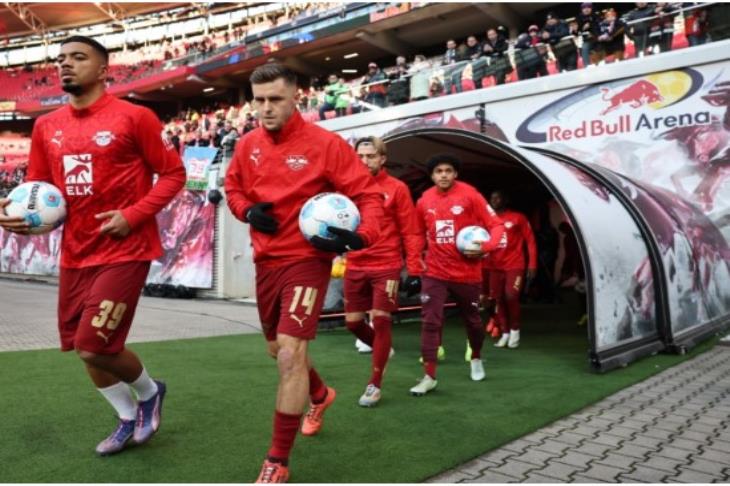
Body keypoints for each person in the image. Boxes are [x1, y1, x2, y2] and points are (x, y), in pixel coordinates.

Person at [0, 36, 186, 456]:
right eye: (61, 59)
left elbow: (172, 174)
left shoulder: (134, 117)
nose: (66, 65)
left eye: (78, 58)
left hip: (126, 249)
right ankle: (125, 417)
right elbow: (39, 193)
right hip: (76, 252)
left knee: (93, 344)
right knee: (85, 351)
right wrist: (18, 219)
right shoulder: (46, 125)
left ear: (104, 70)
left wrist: (132, 215)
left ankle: (150, 392)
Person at [224, 63, 384, 483]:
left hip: (307, 261)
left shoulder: (325, 144)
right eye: (258, 100)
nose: (265, 108)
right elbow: (233, 190)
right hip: (266, 262)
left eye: (275, 99)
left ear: (297, 97)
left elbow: (367, 195)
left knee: (291, 354)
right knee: (279, 351)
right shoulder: (246, 146)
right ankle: (320, 393)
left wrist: (362, 235)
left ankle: (277, 460)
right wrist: (247, 211)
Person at [410, 154, 505, 396]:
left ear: (455, 174)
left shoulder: (470, 195)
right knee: (430, 321)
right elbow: (416, 234)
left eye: (448, 170)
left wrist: (485, 247)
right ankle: (429, 376)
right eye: (439, 171)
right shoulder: (424, 201)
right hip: (435, 271)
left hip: (467, 273)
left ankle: (475, 356)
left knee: (473, 321)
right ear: (432, 175)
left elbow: (496, 226)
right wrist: (414, 261)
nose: (443, 174)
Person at [344, 136, 423, 407]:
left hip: (386, 264)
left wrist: (414, 268)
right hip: (355, 263)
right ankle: (382, 347)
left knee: (380, 319)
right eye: (360, 156)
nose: (364, 161)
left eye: (370, 156)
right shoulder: (348, 188)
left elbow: (411, 230)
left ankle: (374, 385)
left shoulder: (397, 189)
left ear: (382, 159)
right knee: (353, 322)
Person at [482, 190, 537, 349]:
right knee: (498, 299)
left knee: (511, 296)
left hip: (514, 265)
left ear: (505, 200)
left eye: (498, 197)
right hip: (493, 266)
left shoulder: (518, 217)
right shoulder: (487, 219)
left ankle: (515, 330)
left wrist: (532, 264)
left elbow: (530, 241)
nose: (495, 200)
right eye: (492, 197)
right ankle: (504, 333)